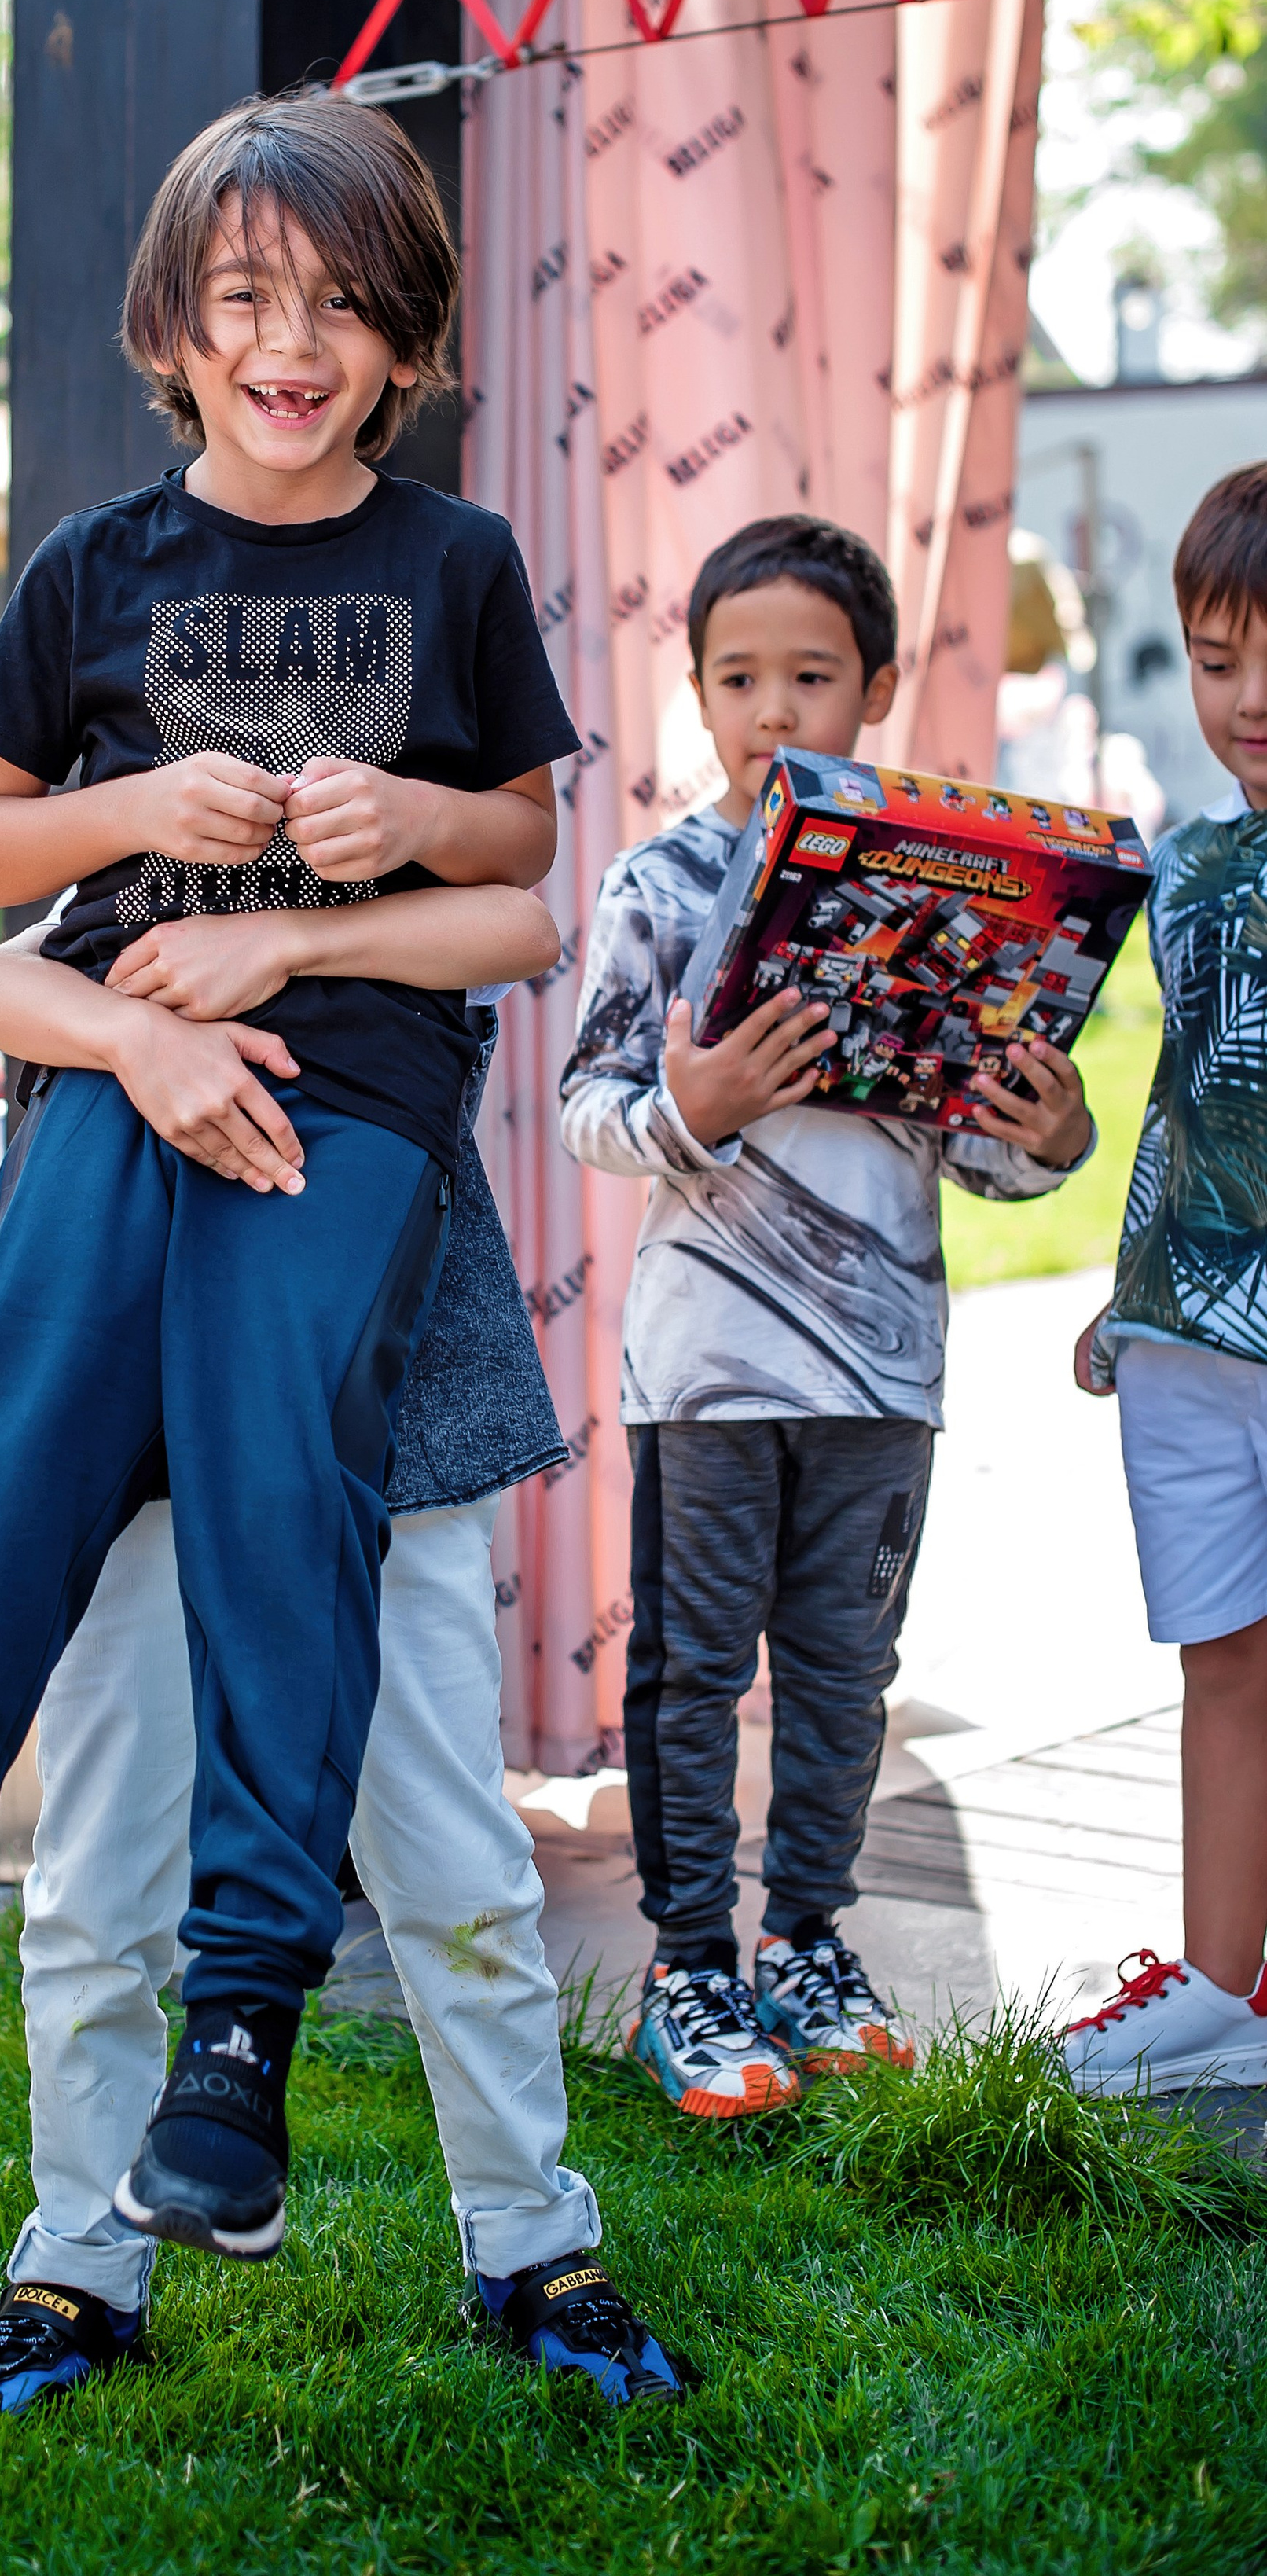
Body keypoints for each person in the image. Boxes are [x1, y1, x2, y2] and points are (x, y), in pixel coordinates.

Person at [0, 90, 579, 2261]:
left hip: (338, 1099)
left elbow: (520, 871)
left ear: (406, 335)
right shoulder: (96, 566)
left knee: (280, 1462)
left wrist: (349, 877)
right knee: (15, 1426)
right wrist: (132, 846)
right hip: (117, 1069)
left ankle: (246, 2013)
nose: (291, 342)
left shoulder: (455, 561)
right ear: (174, 326)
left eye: (342, 304)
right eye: (245, 297)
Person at [0, 917, 683, 2410]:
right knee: (99, 1870)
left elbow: (509, 914)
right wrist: (136, 1034)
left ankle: (532, 2238)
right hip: (130, 1402)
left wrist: (285, 940)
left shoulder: (405, 827)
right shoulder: (131, 839)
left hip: (385, 1409)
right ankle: (77, 2258)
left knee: (452, 1862)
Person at [560, 516, 1095, 2120]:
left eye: (809, 675)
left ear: (875, 686)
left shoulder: (940, 890)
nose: (773, 708)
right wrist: (696, 1103)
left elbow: (983, 1151)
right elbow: (588, 1106)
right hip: (707, 1374)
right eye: (737, 678)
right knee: (691, 1670)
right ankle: (688, 1968)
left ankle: (806, 1940)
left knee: (846, 1668)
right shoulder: (659, 883)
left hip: (881, 1372)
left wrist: (1051, 1132)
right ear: (696, 692)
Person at [1063, 464, 1267, 2096]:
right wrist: (1134, 1285)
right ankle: (1215, 1983)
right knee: (1217, 1653)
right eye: (1213, 659)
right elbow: (1187, 1093)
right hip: (1186, 1338)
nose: (1246, 697)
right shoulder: (1186, 868)